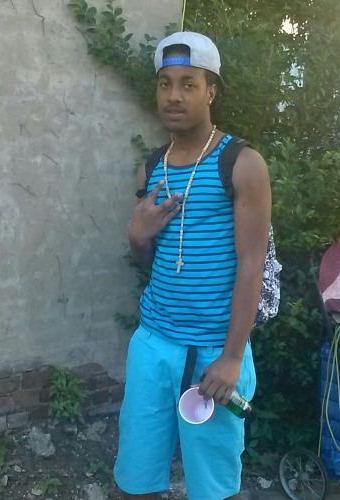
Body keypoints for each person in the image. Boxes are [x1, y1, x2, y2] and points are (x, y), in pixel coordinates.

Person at [114, 31, 272, 500]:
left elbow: (252, 264)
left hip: (214, 351)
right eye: (165, 84)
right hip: (154, 342)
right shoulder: (151, 170)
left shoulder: (241, 163)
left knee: (213, 485)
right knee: (136, 474)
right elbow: (150, 261)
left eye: (188, 83)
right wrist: (136, 237)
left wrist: (231, 357)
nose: (174, 96)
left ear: (211, 91)